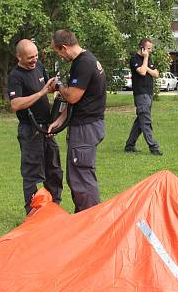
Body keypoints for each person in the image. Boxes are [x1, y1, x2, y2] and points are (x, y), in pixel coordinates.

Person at [48, 29, 107, 213]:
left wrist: (58, 86)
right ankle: (83, 217)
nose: (59, 56)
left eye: (58, 52)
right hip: (85, 126)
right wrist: (60, 120)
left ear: (64, 47)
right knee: (76, 176)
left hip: (85, 129)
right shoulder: (83, 60)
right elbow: (79, 101)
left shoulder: (84, 63)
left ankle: (90, 220)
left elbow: (72, 96)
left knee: (82, 177)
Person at [8, 39, 64, 214]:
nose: (34, 60)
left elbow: (50, 87)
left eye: (36, 56)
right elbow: (15, 104)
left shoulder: (39, 66)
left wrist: (59, 87)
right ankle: (32, 213)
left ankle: (54, 208)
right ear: (19, 56)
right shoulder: (15, 76)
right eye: (29, 58)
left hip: (47, 127)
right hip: (30, 130)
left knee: (54, 169)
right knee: (32, 173)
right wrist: (41, 93)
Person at [124, 38, 162, 156]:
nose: (151, 51)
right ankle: (153, 147)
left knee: (140, 122)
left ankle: (129, 145)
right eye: (149, 48)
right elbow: (141, 72)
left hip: (149, 93)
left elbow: (156, 73)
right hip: (141, 94)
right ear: (142, 48)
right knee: (145, 121)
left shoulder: (149, 58)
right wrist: (145, 59)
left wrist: (146, 65)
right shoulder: (134, 59)